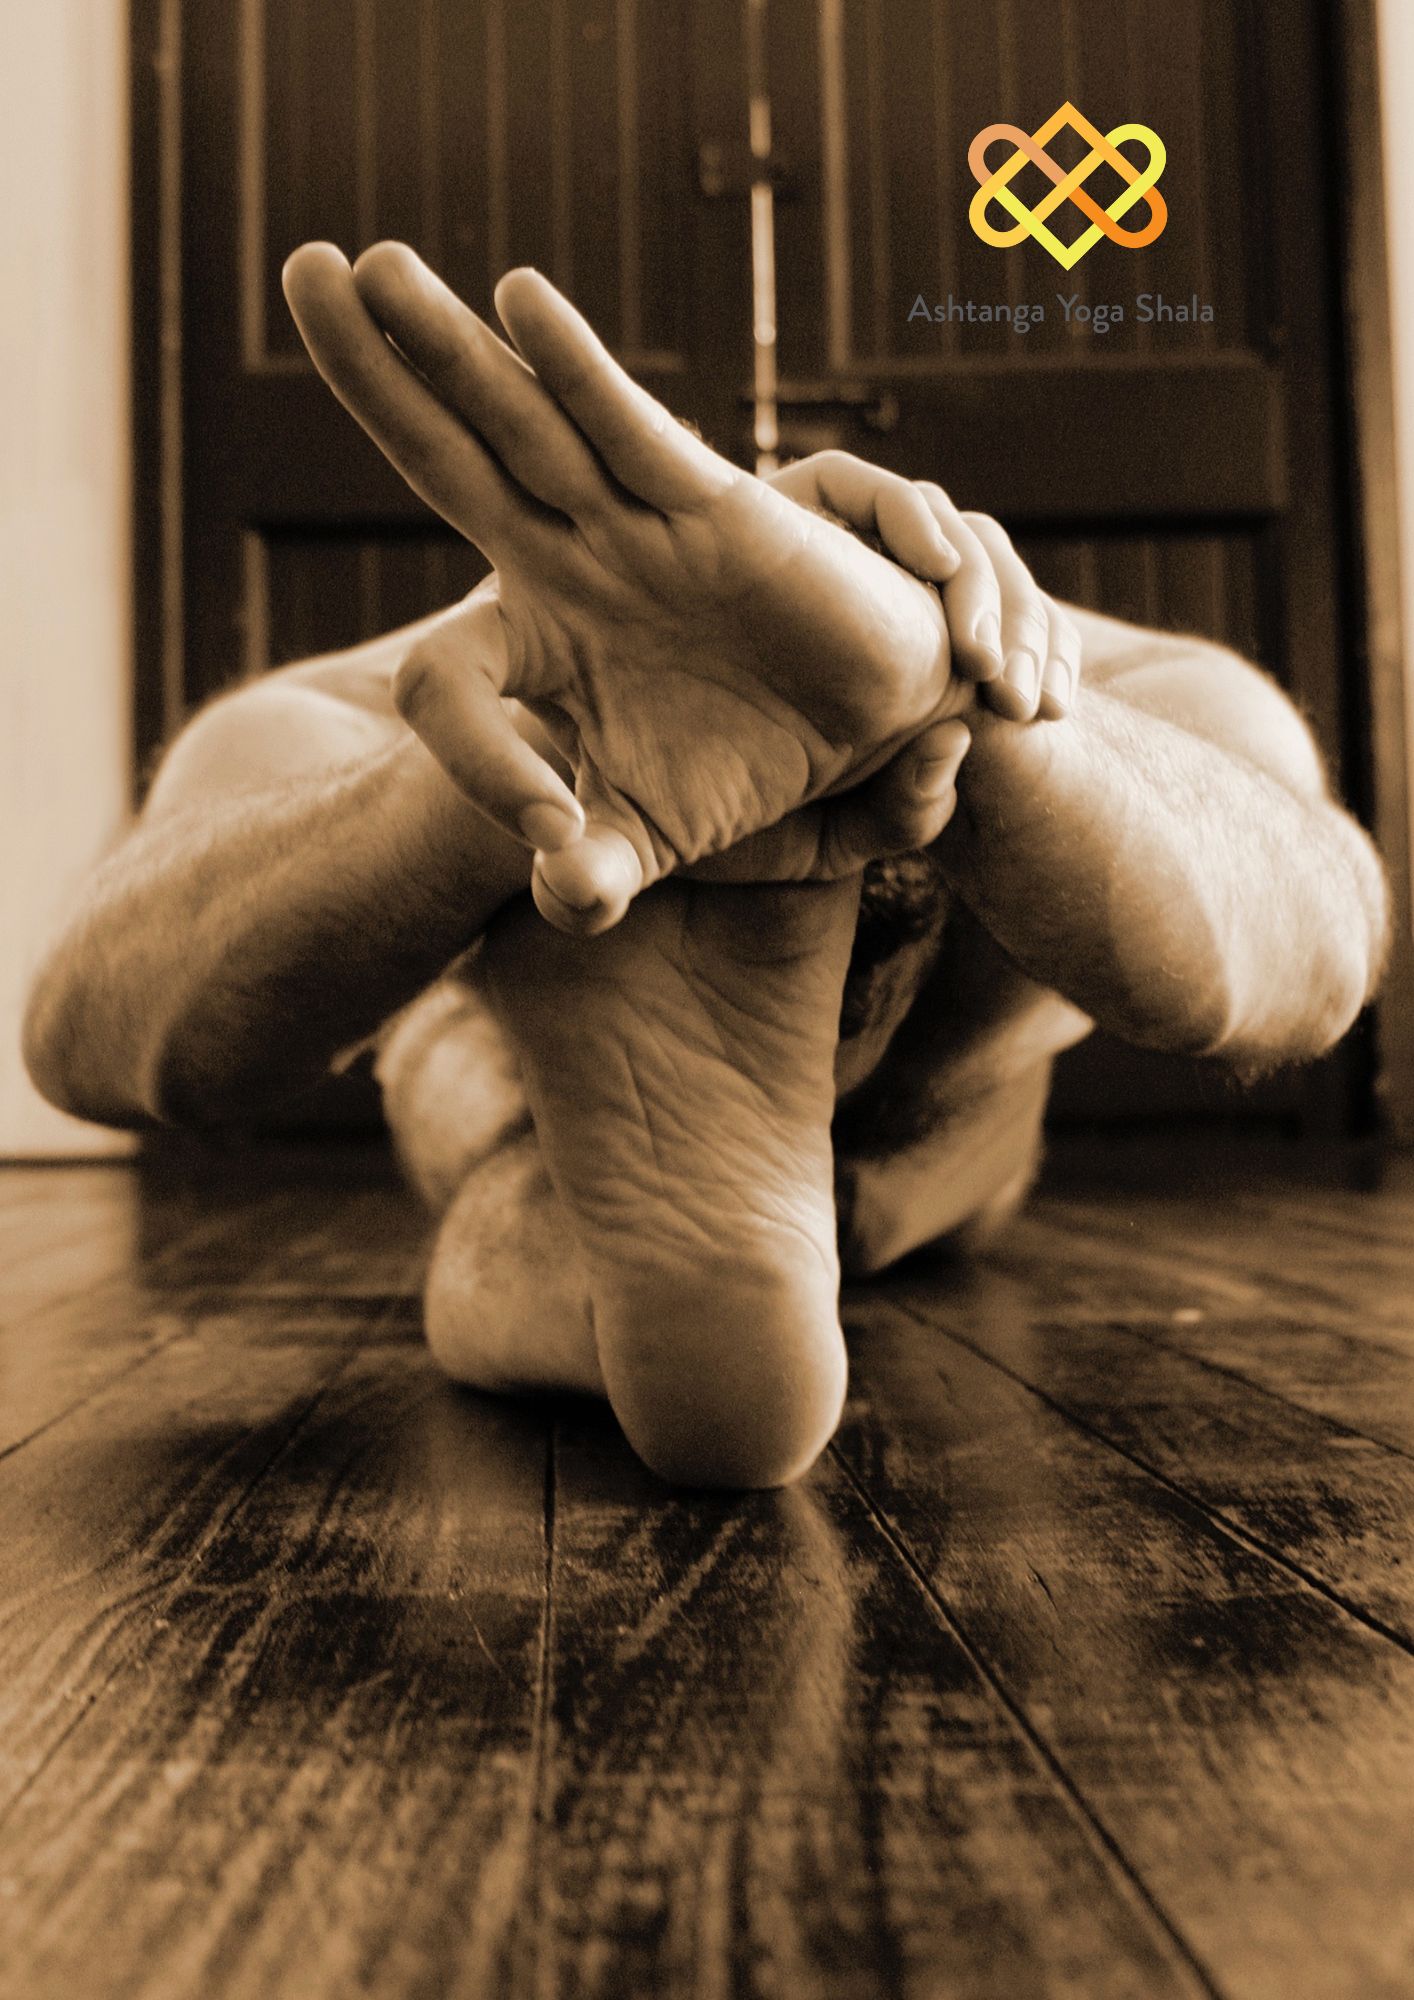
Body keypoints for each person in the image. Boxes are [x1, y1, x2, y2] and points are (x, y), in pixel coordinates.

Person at [24, 245, 1389, 1491]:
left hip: (693, 1056)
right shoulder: (401, 706)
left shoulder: (1116, 687)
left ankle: (635, 1253)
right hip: (927, 1095)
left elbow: (1307, 953)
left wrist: (962, 712)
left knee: (488, 1124)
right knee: (899, 1134)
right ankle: (705, 1205)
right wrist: (471, 788)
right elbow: (97, 1031)